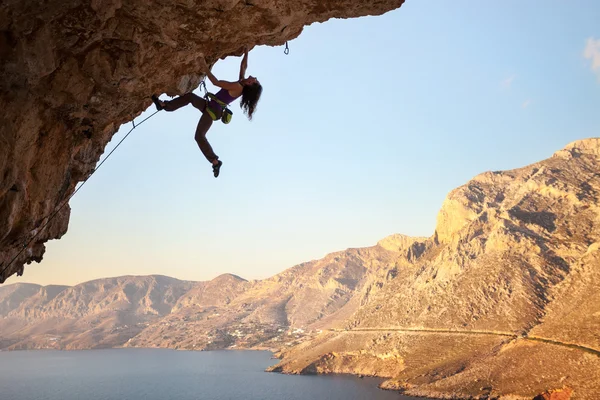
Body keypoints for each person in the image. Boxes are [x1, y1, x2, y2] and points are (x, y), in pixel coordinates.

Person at [151, 49, 263, 177]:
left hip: (213, 111)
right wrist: (247, 51)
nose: (255, 78)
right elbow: (243, 66)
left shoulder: (237, 87)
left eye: (256, 81)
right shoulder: (241, 83)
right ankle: (164, 105)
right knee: (190, 97)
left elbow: (216, 82)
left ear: (250, 84)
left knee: (199, 136)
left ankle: (215, 161)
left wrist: (204, 66)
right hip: (211, 106)